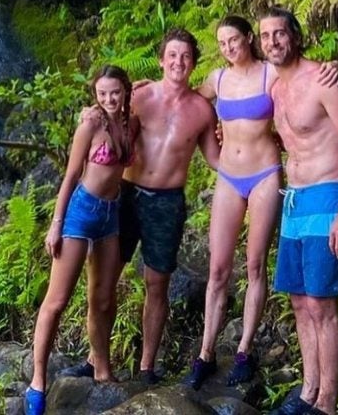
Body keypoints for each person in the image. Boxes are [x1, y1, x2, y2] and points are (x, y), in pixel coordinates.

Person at [185, 16, 338, 389]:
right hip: (228, 174)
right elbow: (185, 98)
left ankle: (243, 348)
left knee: (255, 263)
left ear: (249, 39)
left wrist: (335, 66)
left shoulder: (270, 74)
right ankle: (206, 351)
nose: (229, 48)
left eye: (235, 40)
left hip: (264, 174)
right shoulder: (217, 79)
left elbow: (303, 77)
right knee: (218, 268)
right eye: (222, 43)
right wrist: (142, 91)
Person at [60, 28, 220, 384]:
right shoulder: (140, 96)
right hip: (125, 195)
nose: (178, 62)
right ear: (162, 59)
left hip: (167, 202)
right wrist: (90, 115)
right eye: (172, 55)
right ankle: (95, 359)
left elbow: (216, 158)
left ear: (194, 62)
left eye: (186, 56)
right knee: (104, 280)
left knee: (157, 283)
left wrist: (252, 149)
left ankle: (147, 366)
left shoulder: (202, 111)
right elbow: (106, 113)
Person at [260, 7, 338, 415]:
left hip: (328, 196)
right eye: (266, 35)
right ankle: (308, 391)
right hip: (294, 201)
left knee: (322, 305)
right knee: (299, 301)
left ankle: (326, 403)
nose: (272, 41)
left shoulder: (325, 80)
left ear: (296, 36)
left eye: (279, 33)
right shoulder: (273, 88)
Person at [25, 65, 135, 415]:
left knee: (103, 299)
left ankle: (102, 369)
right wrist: (56, 224)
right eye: (102, 94)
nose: (109, 99)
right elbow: (71, 174)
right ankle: (38, 381)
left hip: (111, 214)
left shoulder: (130, 122)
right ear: (95, 96)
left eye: (115, 92)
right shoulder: (90, 124)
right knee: (56, 302)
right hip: (81, 212)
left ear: (125, 91)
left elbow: (152, 90)